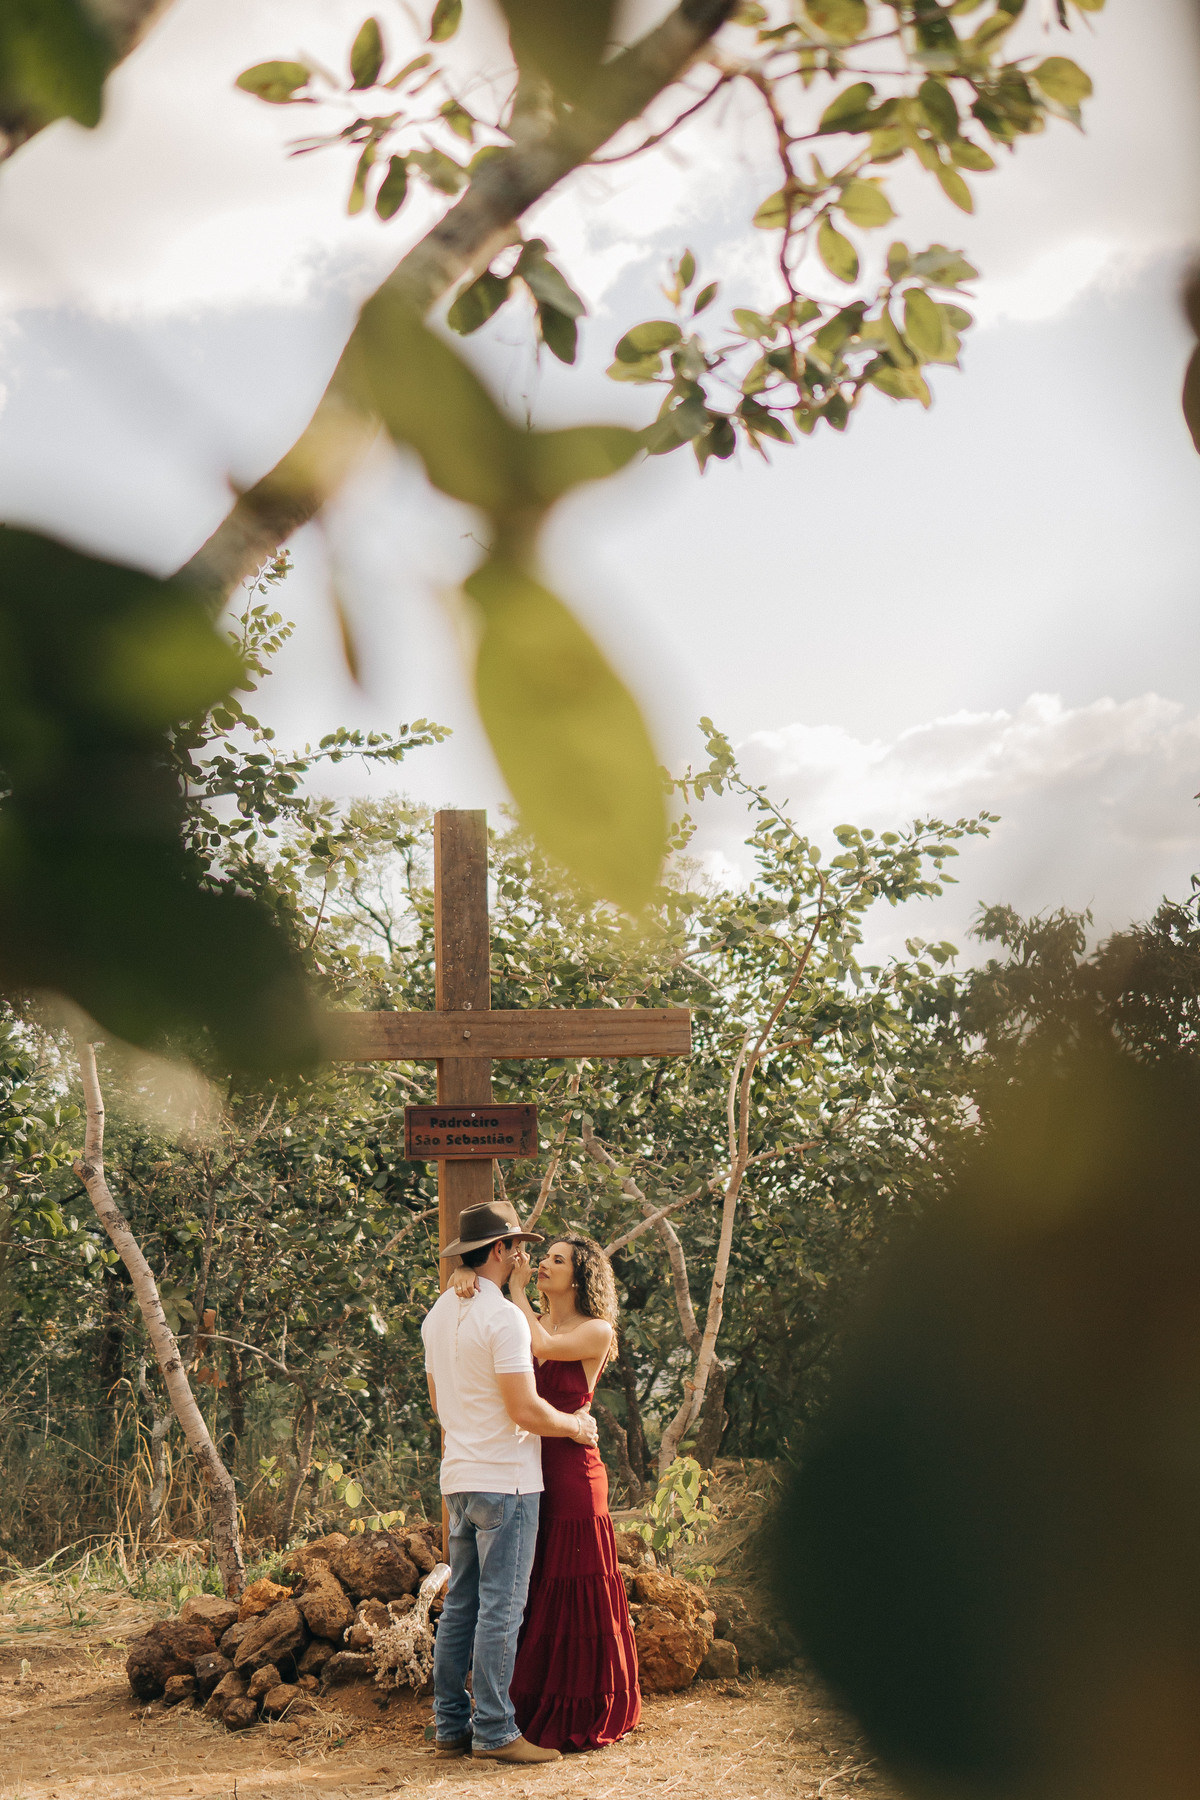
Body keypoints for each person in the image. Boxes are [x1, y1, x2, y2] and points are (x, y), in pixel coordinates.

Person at [421, 1200, 600, 1765]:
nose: (524, 1256)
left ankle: (450, 1726)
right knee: (501, 1607)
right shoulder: (503, 1318)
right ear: (498, 1250)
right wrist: (575, 1426)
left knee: (461, 1605)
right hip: (507, 1481)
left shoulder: (438, 1313)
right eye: (517, 1246)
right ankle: (496, 1731)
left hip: (459, 1478)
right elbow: (525, 1409)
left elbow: (438, 1403)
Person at [452, 1231, 642, 1751]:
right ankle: (522, 1707)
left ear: (580, 1276)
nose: (544, 1265)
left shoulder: (596, 1330)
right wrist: (468, 1275)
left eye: (558, 1260)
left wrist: (511, 1287)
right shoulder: (527, 1318)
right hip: (526, 1470)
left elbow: (543, 1348)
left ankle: (582, 1703)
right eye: (545, 1257)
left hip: (574, 1474)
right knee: (530, 1585)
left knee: (574, 1584)